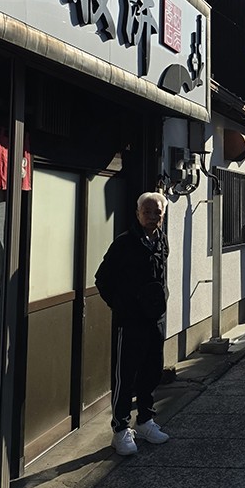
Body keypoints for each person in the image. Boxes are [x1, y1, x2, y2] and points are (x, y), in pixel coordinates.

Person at [95, 191, 171, 456]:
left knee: (152, 371)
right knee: (125, 375)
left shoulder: (161, 240)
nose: (152, 217)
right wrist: (122, 307)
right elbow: (102, 279)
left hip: (155, 320)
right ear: (137, 213)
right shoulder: (124, 243)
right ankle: (120, 429)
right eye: (147, 212)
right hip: (130, 322)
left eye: (157, 213)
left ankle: (146, 420)